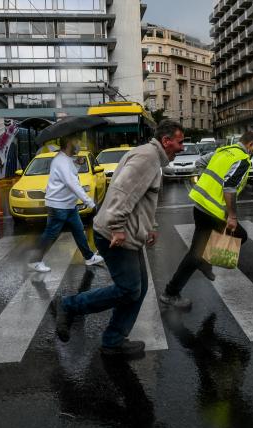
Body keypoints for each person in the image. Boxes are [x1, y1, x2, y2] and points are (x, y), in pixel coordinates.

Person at [51, 120, 184, 357]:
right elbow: (122, 192)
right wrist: (117, 227)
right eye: (180, 142)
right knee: (129, 289)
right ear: (166, 141)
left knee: (138, 289)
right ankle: (70, 306)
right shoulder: (148, 158)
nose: (182, 147)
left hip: (129, 236)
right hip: (115, 235)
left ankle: (113, 340)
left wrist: (150, 225)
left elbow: (142, 197)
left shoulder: (149, 155)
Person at [160, 131, 253, 310]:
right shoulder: (243, 160)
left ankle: (197, 268)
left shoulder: (224, 150)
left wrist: (203, 184)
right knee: (240, 236)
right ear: (251, 144)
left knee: (196, 252)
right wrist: (232, 216)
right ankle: (173, 289)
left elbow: (200, 163)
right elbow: (229, 187)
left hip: (200, 206)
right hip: (213, 212)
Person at [27, 135, 104, 272]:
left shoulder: (67, 159)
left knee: (78, 230)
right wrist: (90, 203)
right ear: (69, 143)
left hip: (68, 205)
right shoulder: (61, 161)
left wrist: (77, 164)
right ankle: (35, 261)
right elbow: (72, 183)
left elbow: (70, 175)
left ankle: (89, 257)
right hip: (58, 206)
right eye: (76, 141)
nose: (78, 145)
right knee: (51, 233)